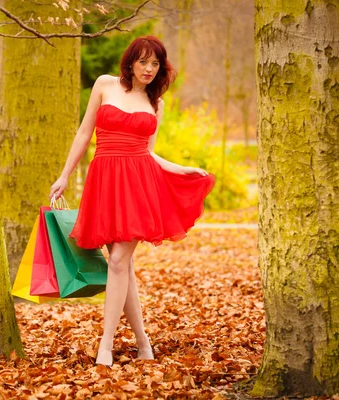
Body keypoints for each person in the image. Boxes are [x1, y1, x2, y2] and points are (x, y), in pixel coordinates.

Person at [49, 36, 215, 367]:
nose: (149, 69)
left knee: (117, 262)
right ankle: (143, 344)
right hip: (104, 180)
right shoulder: (105, 85)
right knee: (123, 267)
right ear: (130, 62)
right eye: (143, 62)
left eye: (155, 64)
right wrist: (65, 175)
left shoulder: (156, 103)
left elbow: (149, 155)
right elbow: (85, 133)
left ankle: (106, 348)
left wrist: (185, 169)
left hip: (138, 185)